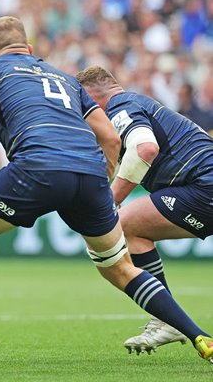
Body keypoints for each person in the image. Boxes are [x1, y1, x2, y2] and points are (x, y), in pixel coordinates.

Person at [0, 16, 213, 373]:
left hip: (37, 167)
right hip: (89, 173)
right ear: (30, 50)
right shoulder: (64, 76)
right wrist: (102, 179)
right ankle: (199, 335)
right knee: (120, 267)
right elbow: (109, 137)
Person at [76, 65, 213, 355]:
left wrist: (110, 200)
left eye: (83, 106)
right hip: (201, 186)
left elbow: (144, 149)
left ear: (92, 98)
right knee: (134, 233)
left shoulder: (120, 107)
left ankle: (167, 319)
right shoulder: (137, 104)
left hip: (204, 187)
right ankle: (166, 319)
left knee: (123, 224)